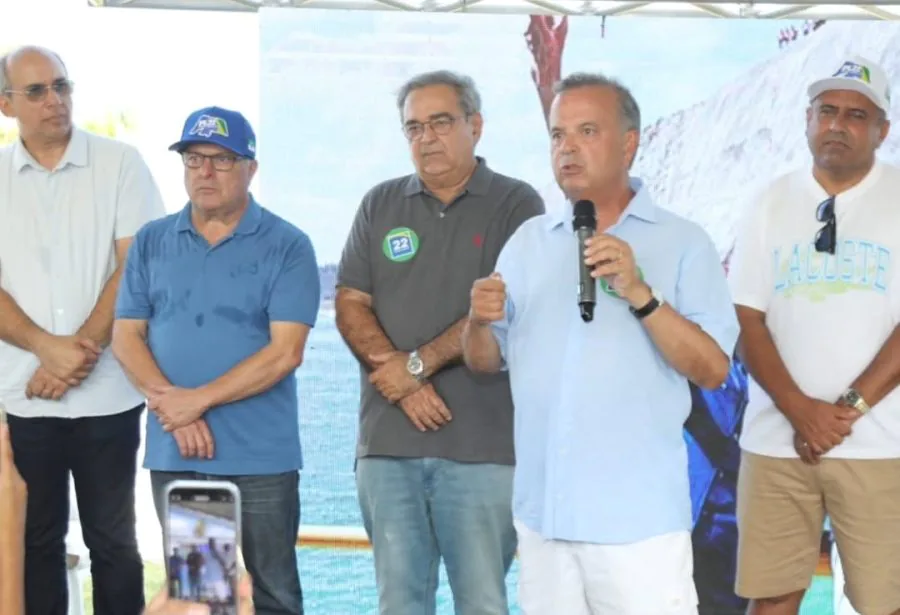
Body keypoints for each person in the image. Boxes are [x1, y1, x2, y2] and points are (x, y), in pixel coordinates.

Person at [462, 72, 738, 615]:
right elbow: (484, 361)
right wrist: (476, 323)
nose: (567, 149)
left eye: (586, 131)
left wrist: (641, 295)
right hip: (545, 522)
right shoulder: (527, 243)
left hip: (638, 528)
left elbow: (711, 368)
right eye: (558, 135)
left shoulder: (683, 242)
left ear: (629, 143)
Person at [335, 69, 545, 615]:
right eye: (413, 128)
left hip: (483, 450)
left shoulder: (517, 204)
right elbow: (351, 303)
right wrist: (403, 383)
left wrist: (418, 364)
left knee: (482, 604)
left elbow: (501, 305)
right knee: (399, 604)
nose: (425, 137)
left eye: (440, 122)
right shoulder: (379, 204)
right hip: (386, 448)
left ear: (475, 126)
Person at [111, 106, 320, 615]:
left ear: (251, 168)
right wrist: (174, 412)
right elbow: (126, 339)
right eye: (193, 158)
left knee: (275, 595)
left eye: (221, 160)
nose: (204, 172)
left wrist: (194, 403)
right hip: (179, 454)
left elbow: (284, 352)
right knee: (201, 599)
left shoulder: (288, 245)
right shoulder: (152, 242)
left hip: (262, 460)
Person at [729, 56, 900, 615]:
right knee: (772, 598)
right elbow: (746, 318)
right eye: (827, 111)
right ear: (806, 120)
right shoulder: (769, 200)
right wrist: (799, 410)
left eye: (856, 115)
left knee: (883, 601)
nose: (837, 125)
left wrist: (842, 411)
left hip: (880, 445)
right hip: (776, 443)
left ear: (882, 130)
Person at [0, 46, 165, 615]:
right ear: (6, 105)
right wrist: (47, 350)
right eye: (38, 91)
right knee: (33, 543)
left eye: (62, 86)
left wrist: (78, 354)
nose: (56, 101)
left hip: (110, 396)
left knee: (115, 544)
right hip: (25, 397)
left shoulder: (121, 163)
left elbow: (136, 267)